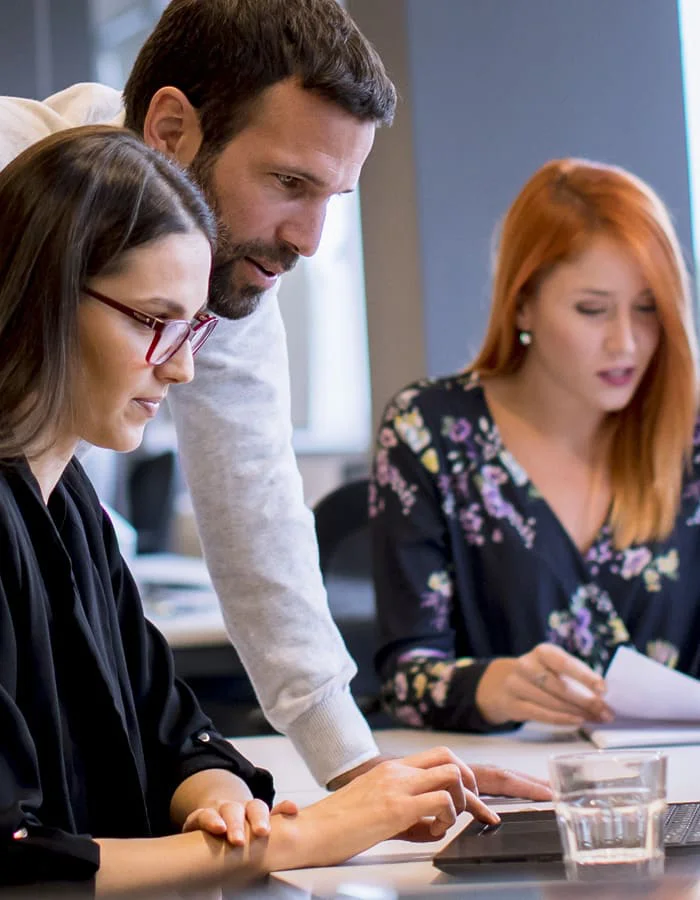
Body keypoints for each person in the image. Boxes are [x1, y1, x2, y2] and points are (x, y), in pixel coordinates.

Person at [0, 0, 551, 801]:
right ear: (171, 129)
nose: (310, 239)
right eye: (290, 182)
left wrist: (362, 774)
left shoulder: (214, 254)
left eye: (334, 197)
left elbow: (257, 509)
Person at [371, 157, 700, 733]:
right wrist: (487, 688)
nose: (626, 342)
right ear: (522, 303)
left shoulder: (689, 437)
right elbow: (405, 677)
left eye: (648, 309)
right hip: (508, 796)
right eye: (592, 310)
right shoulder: (430, 432)